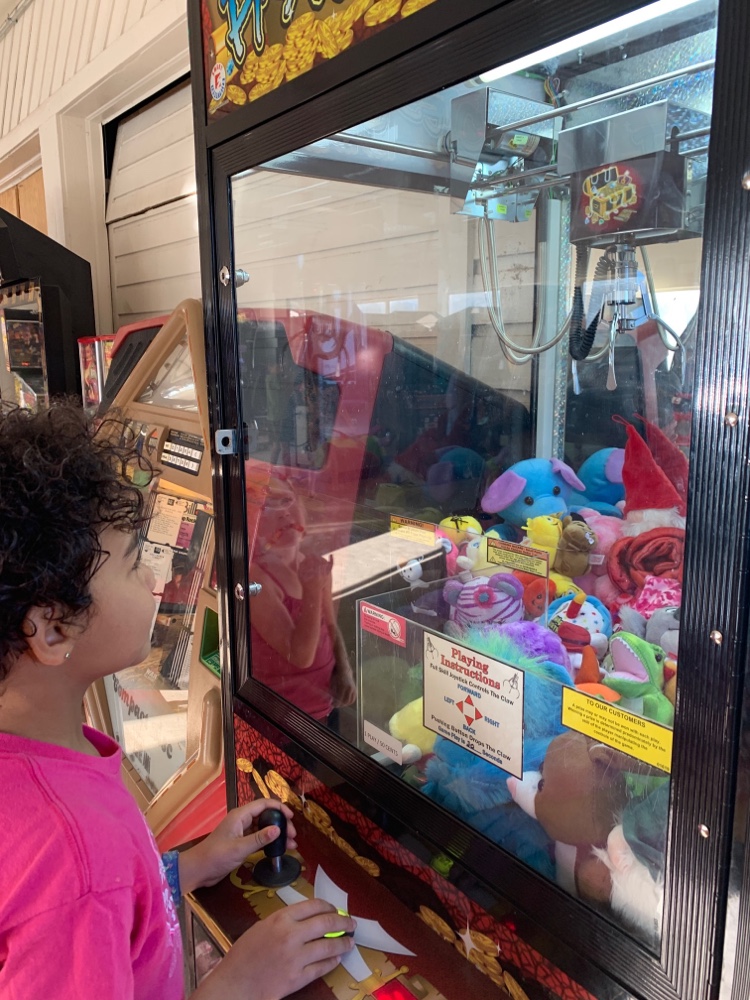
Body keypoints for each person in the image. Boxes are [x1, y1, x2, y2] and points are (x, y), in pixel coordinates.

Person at [0, 401, 355, 999]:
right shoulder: (74, 858)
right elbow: (87, 895)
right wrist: (238, 983)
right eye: (134, 564)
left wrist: (190, 866)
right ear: (53, 630)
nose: (155, 578)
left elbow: (114, 908)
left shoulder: (43, 762)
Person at [246, 466, 357, 726]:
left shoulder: (312, 565)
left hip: (324, 702)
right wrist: (312, 589)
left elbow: (330, 624)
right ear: (252, 523)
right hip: (285, 718)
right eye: (267, 506)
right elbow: (299, 655)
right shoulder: (256, 579)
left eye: (286, 500)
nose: (283, 512)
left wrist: (344, 669)